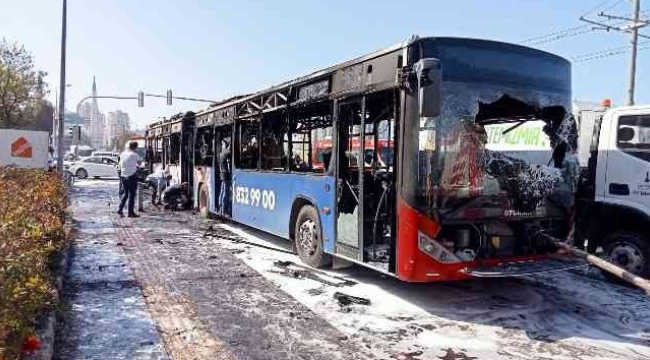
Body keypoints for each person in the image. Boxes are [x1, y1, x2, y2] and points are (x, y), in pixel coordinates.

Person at [117, 141, 142, 218]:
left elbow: (120, 164)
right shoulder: (134, 154)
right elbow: (139, 163)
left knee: (126, 193)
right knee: (132, 195)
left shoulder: (123, 154)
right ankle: (130, 213)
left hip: (123, 175)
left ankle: (120, 209)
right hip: (131, 175)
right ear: (135, 147)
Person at [218, 138, 232, 216]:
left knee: (222, 190)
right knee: (225, 192)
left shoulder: (221, 153)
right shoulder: (227, 152)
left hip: (222, 174)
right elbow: (229, 166)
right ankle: (224, 209)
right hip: (226, 174)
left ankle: (220, 208)